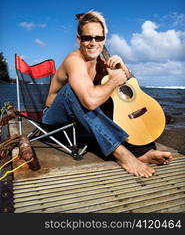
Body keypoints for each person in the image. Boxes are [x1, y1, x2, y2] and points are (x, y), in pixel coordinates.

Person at [42, 10, 173, 178]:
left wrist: (123, 69)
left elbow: (129, 87)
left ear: (104, 39)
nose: (93, 43)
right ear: (78, 39)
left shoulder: (102, 62)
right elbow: (89, 101)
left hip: (80, 121)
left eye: (98, 38)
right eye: (87, 38)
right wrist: (112, 81)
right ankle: (122, 154)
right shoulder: (74, 60)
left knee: (112, 99)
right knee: (75, 92)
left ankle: (141, 152)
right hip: (56, 120)